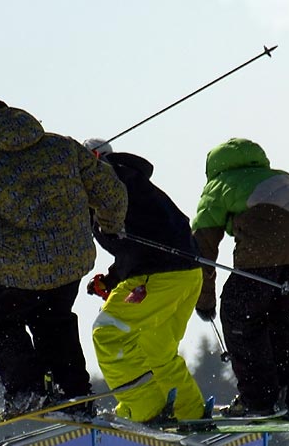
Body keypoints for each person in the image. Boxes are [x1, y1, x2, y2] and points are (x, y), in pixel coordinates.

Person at [0, 98, 127, 418]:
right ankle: (74, 392)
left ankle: (27, 392)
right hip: (73, 259)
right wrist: (112, 226)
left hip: (21, 268)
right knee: (53, 318)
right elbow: (111, 189)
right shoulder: (61, 146)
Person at [191, 137, 289, 417]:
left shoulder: (219, 186)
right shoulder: (286, 179)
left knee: (242, 324)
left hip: (259, 257)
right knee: (279, 328)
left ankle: (258, 400)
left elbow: (201, 250)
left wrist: (204, 300)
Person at [83, 139, 207, 423]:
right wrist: (114, 278)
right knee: (157, 348)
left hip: (157, 276)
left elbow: (139, 244)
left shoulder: (105, 182)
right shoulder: (132, 180)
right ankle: (189, 413)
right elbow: (144, 238)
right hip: (187, 273)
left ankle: (145, 409)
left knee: (108, 331)